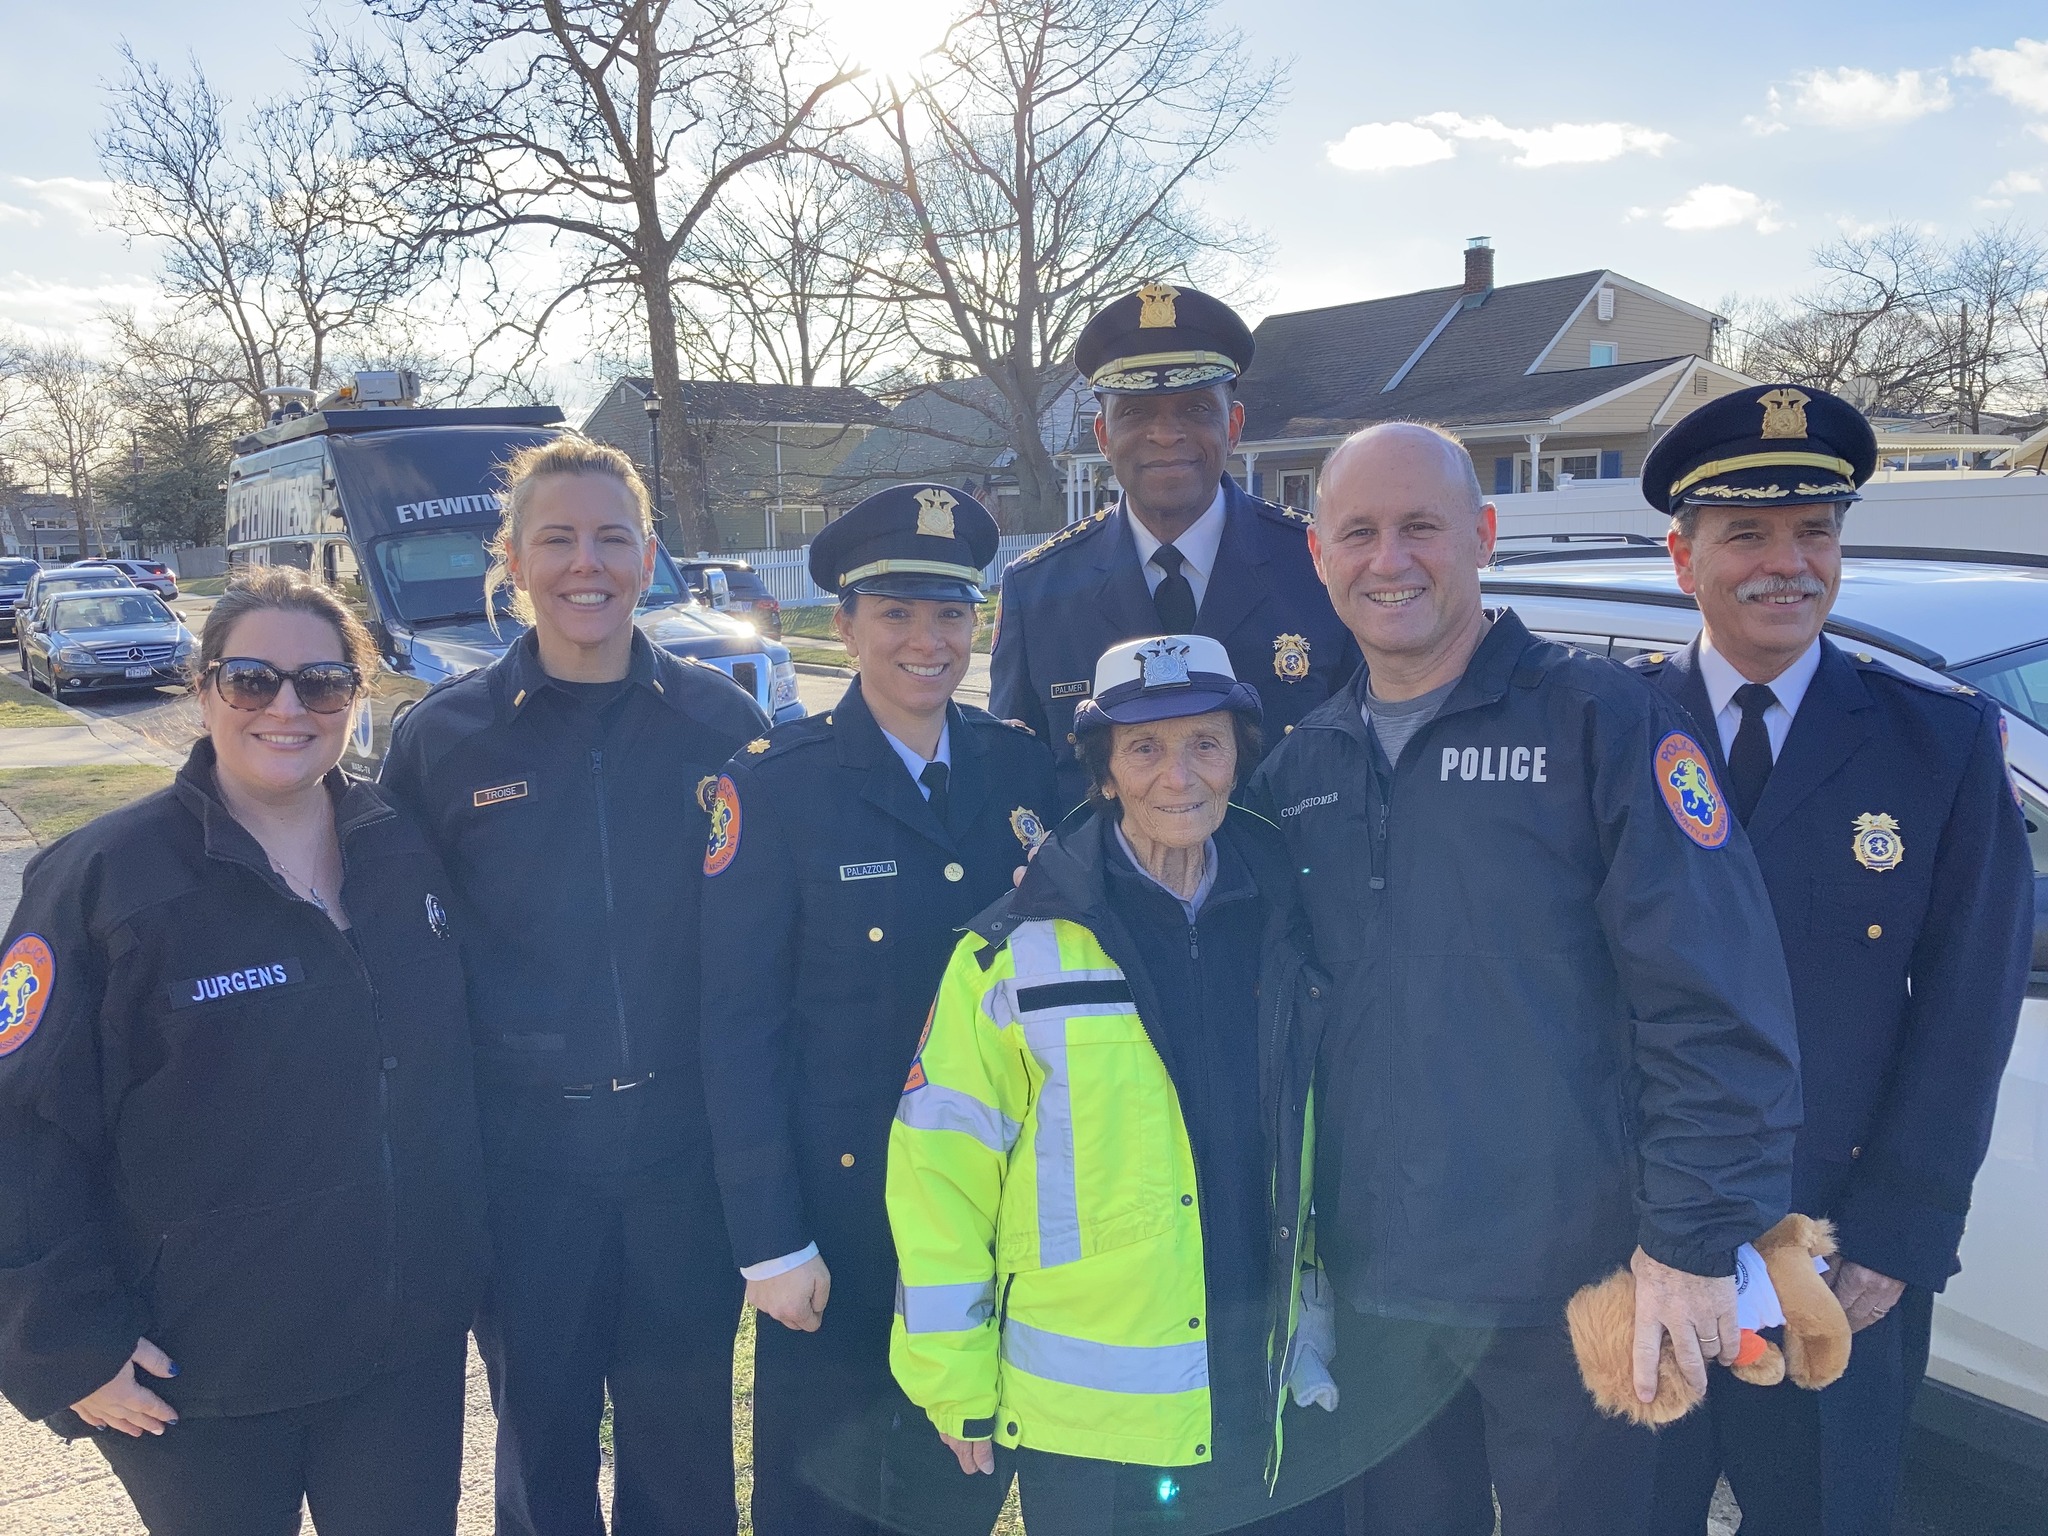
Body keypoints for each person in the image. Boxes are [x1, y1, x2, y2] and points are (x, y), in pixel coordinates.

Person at [1246, 421, 1804, 1536]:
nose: (1387, 559)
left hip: (1581, 1288)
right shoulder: (1300, 765)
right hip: (1379, 1289)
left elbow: (1715, 1006)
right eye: (1356, 532)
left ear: (1482, 537)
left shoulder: (1601, 723)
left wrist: (1690, 1247)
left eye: (1420, 527)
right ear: (1319, 556)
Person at [0, 568, 486, 1536]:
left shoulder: (407, 855)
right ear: (203, 686)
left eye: (322, 682)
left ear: (356, 694)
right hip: (198, 1387)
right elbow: (21, 1127)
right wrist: (64, 1347)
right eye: (253, 680)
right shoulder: (103, 883)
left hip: (398, 1367)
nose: (287, 708)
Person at [1628, 385, 2036, 1536]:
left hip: (1836, 1243)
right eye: (1745, 534)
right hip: (1638, 1235)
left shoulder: (1937, 744)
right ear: (1682, 557)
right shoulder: (1608, 731)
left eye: (1813, 529)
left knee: (1820, 1515)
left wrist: (1900, 1235)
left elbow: (1966, 1014)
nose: (1786, 563)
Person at [380, 438, 768, 1536]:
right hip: (521, 1166)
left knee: (683, 1444)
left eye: (610, 538)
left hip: (680, 1158)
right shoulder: (440, 739)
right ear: (510, 558)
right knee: (541, 1451)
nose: (584, 563)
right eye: (556, 538)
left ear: (649, 556)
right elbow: (398, 959)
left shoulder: (722, 724)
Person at [888, 632, 1344, 1536]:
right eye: (1144, 747)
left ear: (1239, 760)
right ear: (1102, 774)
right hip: (1085, 1425)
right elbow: (941, 1169)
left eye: (1205, 744)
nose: (1179, 776)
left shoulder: (1291, 920)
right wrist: (952, 1375)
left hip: (1262, 1382)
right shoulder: (1012, 951)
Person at [699, 483, 1056, 1536]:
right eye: (893, 613)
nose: (925, 639)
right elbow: (735, 1022)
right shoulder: (770, 787)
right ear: (842, 626)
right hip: (838, 1231)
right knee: (823, 1502)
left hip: (988, 1221)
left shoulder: (1020, 768)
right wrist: (768, 1240)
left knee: (960, 1492)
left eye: (949, 611)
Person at [990, 282, 1358, 812]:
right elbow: (1016, 782)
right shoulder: (1039, 588)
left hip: (1289, 890)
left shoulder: (1317, 568)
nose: (1165, 434)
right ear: (1102, 435)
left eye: (1194, 409)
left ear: (1232, 426)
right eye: (1136, 413)